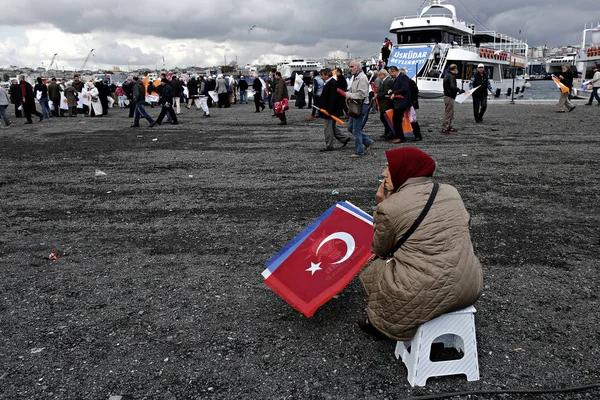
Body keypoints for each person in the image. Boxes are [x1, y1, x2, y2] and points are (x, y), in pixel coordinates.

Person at [358, 147, 483, 340]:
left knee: (378, 268)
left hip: (426, 292)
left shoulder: (389, 208)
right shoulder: (451, 191)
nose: (384, 173)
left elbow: (381, 250)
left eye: (389, 167)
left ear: (405, 170)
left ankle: (379, 323)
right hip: (470, 285)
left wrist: (382, 204)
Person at [318, 68, 352, 151]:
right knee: (332, 127)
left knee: (328, 128)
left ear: (326, 75)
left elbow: (333, 98)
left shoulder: (332, 83)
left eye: (322, 75)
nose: (321, 77)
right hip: (330, 110)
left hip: (330, 110)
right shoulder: (331, 83)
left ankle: (329, 145)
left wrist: (329, 111)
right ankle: (344, 138)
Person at [345, 60, 374, 158]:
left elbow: (361, 94)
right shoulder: (357, 77)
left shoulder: (362, 78)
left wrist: (348, 94)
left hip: (360, 105)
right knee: (350, 127)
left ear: (358, 67)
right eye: (350, 66)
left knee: (356, 129)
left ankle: (359, 151)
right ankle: (367, 141)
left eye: (352, 66)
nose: (350, 68)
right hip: (356, 105)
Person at [387, 66, 411, 144]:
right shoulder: (398, 77)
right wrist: (392, 90)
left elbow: (404, 88)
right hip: (398, 102)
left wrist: (395, 92)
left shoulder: (403, 77)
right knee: (396, 119)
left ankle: (400, 137)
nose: (390, 75)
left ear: (394, 71)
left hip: (402, 102)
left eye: (391, 73)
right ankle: (398, 136)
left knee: (397, 119)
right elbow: (399, 87)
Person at [441, 64, 464, 133]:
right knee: (448, 112)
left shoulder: (447, 75)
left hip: (448, 95)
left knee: (450, 112)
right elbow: (452, 87)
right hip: (449, 96)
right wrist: (459, 90)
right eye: (456, 69)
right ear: (454, 69)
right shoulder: (451, 76)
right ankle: (445, 127)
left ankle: (449, 126)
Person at [376, 69, 394, 140]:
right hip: (383, 103)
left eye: (380, 75)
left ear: (384, 74)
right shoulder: (384, 81)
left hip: (386, 103)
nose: (379, 76)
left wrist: (378, 95)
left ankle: (389, 132)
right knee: (383, 117)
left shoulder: (388, 81)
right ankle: (387, 132)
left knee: (385, 118)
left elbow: (386, 92)